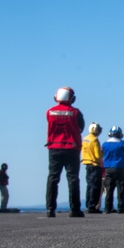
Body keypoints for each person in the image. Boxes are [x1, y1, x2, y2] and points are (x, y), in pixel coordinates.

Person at [45, 86, 86, 218]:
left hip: (54, 148)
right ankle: (74, 209)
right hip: (71, 148)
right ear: (72, 99)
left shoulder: (50, 112)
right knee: (73, 178)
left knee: (53, 178)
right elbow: (81, 127)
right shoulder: (75, 112)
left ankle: (50, 209)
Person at [101, 125, 124, 214]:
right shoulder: (122, 143)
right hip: (119, 168)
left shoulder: (104, 144)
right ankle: (121, 208)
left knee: (109, 189)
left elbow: (102, 153)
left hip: (108, 168)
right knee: (121, 188)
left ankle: (107, 208)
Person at [81, 122, 104, 213]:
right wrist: (102, 153)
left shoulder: (85, 139)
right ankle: (92, 206)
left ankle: (88, 204)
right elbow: (98, 155)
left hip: (87, 164)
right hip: (95, 164)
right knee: (95, 186)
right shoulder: (95, 140)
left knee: (89, 185)